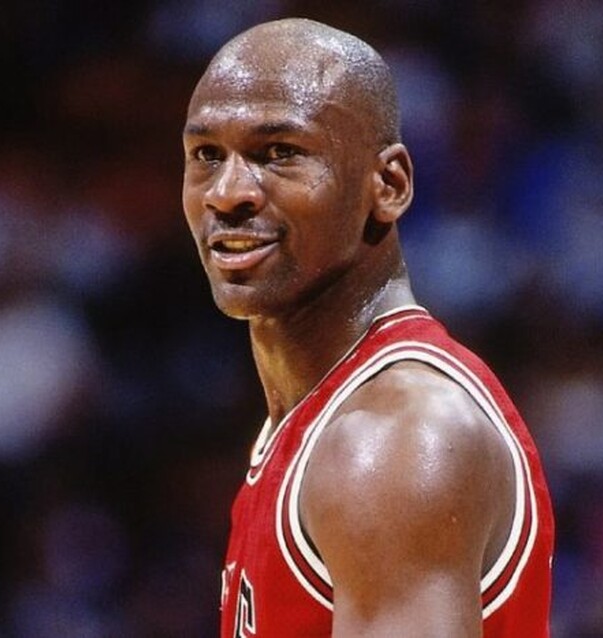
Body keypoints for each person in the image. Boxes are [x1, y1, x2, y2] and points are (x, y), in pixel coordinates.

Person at [181, 18, 554, 637]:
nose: (228, 192)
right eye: (206, 155)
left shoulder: (391, 437)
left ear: (389, 185)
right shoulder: (316, 420)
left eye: (280, 153)